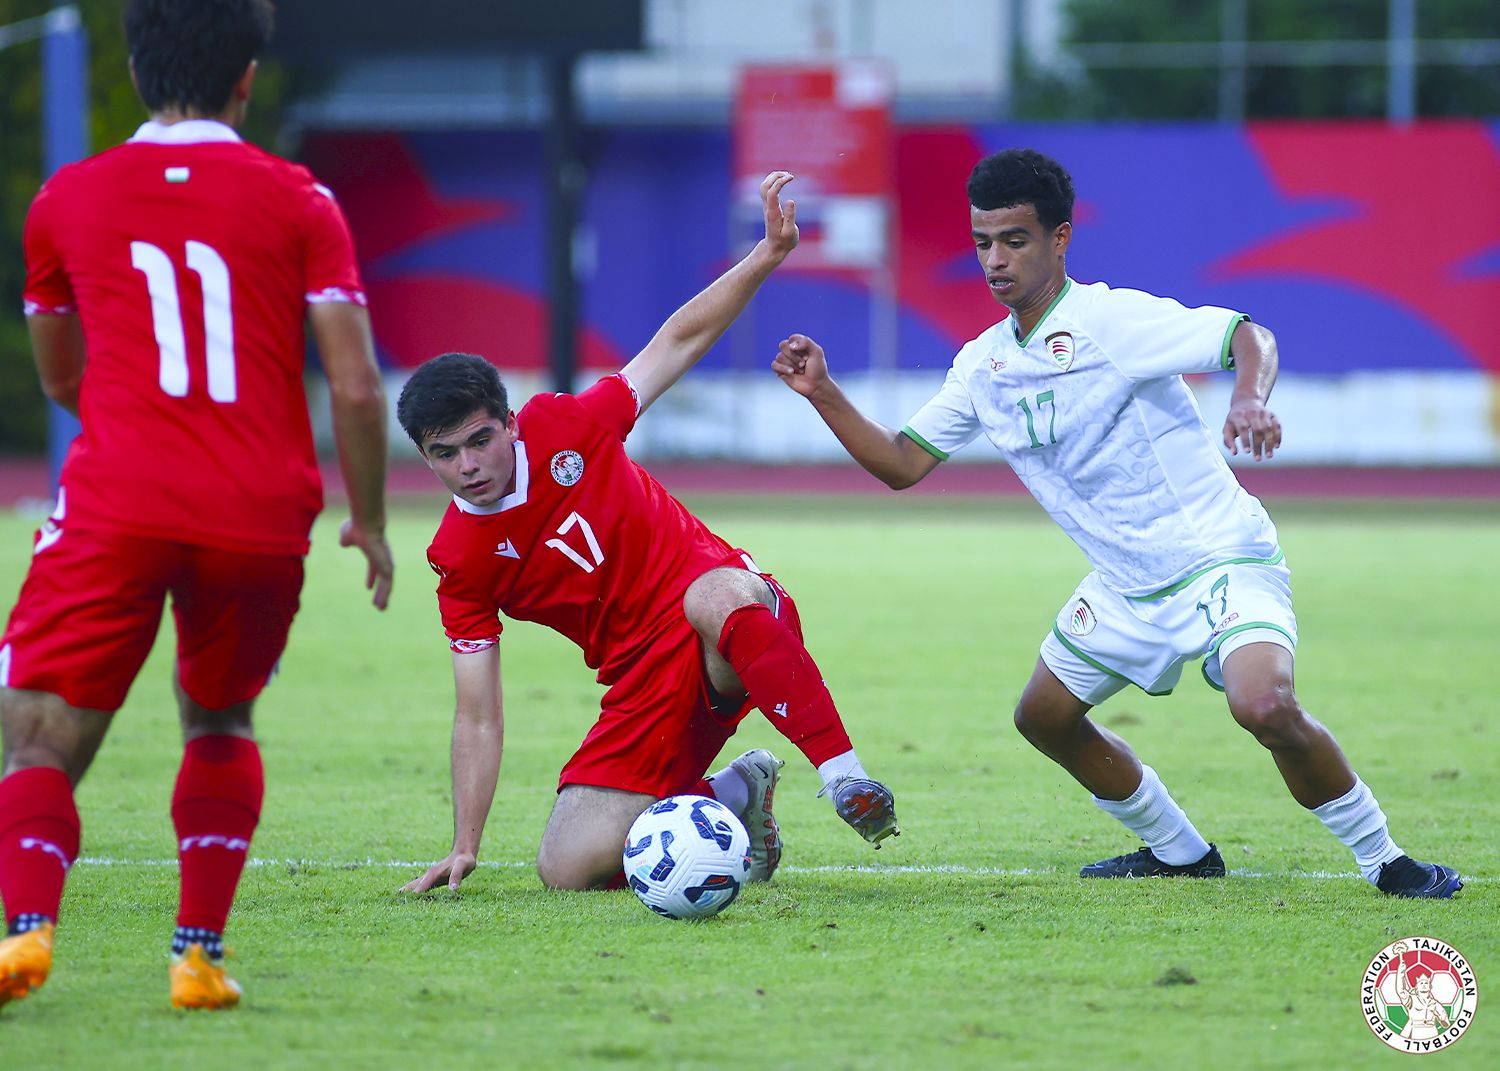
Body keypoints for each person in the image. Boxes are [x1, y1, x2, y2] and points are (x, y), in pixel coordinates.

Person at [770, 147, 1460, 899]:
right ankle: (1179, 850)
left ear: (1060, 239)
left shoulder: (1111, 320)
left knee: (1262, 705)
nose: (996, 260)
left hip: (1219, 558)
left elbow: (1246, 336)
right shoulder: (983, 366)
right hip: (1128, 585)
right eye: (983, 243)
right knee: (1044, 716)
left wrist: (1247, 398)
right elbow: (903, 463)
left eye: (1015, 240)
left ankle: (1388, 860)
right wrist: (825, 393)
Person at [0, 0, 393, 1013]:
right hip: (261, 511)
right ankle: (197, 958)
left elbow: (59, 379)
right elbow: (355, 388)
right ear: (246, 80)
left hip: (118, 501)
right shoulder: (303, 200)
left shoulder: (67, 200)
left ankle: (25, 934)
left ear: (134, 69)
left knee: (39, 737)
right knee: (219, 715)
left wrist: (141, 434)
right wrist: (372, 521)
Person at [397, 172, 897, 897]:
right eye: (444, 453)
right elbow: (477, 711)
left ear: (509, 423)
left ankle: (846, 778)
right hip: (640, 682)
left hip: (728, 618)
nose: (468, 465)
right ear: (424, 455)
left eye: (479, 439)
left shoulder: (567, 425)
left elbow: (676, 340)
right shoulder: (459, 561)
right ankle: (733, 798)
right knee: (565, 868)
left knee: (719, 592)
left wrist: (766, 254)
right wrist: (463, 844)